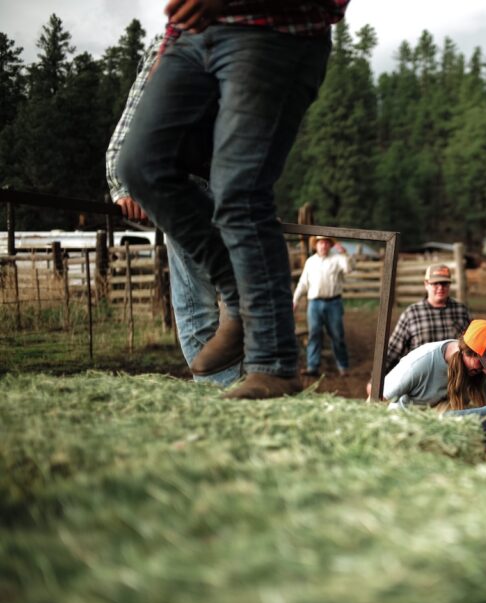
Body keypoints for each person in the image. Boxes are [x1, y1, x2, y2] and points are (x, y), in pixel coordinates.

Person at [117, 0, 347, 400]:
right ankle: (239, 292)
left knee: (239, 191)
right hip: (191, 37)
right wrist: (170, 43)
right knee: (139, 167)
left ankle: (274, 363)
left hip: (273, 29)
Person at [106, 38, 241, 388]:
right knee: (198, 304)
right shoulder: (177, 41)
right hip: (187, 185)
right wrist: (125, 183)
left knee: (245, 299)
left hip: (230, 189)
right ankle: (221, 395)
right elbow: (136, 115)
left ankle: (234, 389)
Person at [383, 319, 486, 411]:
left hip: (441, 423)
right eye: (483, 363)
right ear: (467, 352)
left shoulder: (480, 371)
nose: (485, 371)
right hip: (405, 421)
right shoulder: (421, 362)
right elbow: (381, 397)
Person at [384, 263, 471, 374]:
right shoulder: (412, 314)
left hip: (455, 378)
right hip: (420, 378)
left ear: (449, 285)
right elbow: (393, 350)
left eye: (444, 283)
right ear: (426, 284)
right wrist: (375, 379)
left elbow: (472, 346)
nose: (440, 287)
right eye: (435, 283)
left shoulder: (461, 311)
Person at [293, 235, 354, 376]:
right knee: (314, 334)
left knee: (337, 335)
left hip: (334, 302)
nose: (323, 245)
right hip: (314, 303)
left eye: (326, 243)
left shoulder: (338, 258)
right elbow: (303, 283)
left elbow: (349, 269)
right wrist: (295, 300)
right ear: (316, 245)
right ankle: (312, 367)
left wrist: (345, 254)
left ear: (330, 245)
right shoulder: (310, 262)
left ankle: (343, 366)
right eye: (321, 242)